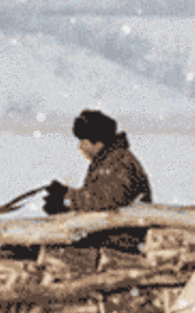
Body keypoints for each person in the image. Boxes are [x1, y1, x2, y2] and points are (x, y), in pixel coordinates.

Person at [42, 109, 153, 254]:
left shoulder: (119, 162)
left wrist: (68, 198)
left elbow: (106, 199)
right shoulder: (107, 160)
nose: (80, 147)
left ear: (98, 142)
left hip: (121, 240)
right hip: (110, 234)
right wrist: (65, 202)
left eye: (83, 141)